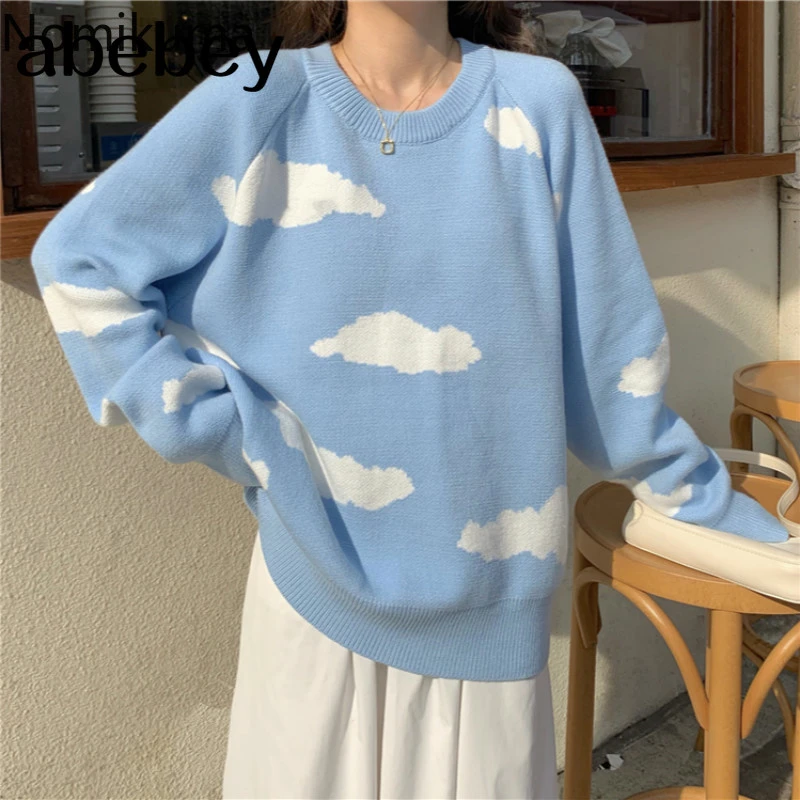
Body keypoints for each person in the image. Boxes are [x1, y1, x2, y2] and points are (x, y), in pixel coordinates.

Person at [29, 1, 790, 798]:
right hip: (312, 600)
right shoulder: (259, 95)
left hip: (490, 622)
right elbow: (82, 263)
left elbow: (609, 365)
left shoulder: (537, 102)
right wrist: (225, 430)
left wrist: (703, 497)